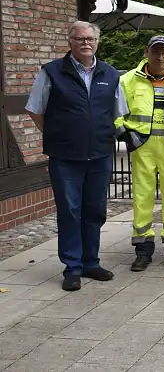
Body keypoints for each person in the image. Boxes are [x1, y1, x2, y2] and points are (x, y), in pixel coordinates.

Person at [25, 21, 128, 291]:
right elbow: (35, 109)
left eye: (90, 39)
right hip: (65, 157)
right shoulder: (52, 72)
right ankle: (72, 267)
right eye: (80, 38)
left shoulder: (110, 74)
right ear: (70, 41)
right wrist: (58, 135)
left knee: (95, 210)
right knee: (70, 211)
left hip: (100, 155)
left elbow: (117, 112)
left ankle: (90, 262)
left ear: (97, 42)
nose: (86, 43)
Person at [115, 35, 164, 272]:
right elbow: (114, 112)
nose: (159, 57)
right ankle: (143, 250)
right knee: (142, 198)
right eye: (155, 52)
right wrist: (126, 135)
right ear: (146, 52)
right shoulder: (127, 80)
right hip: (142, 147)